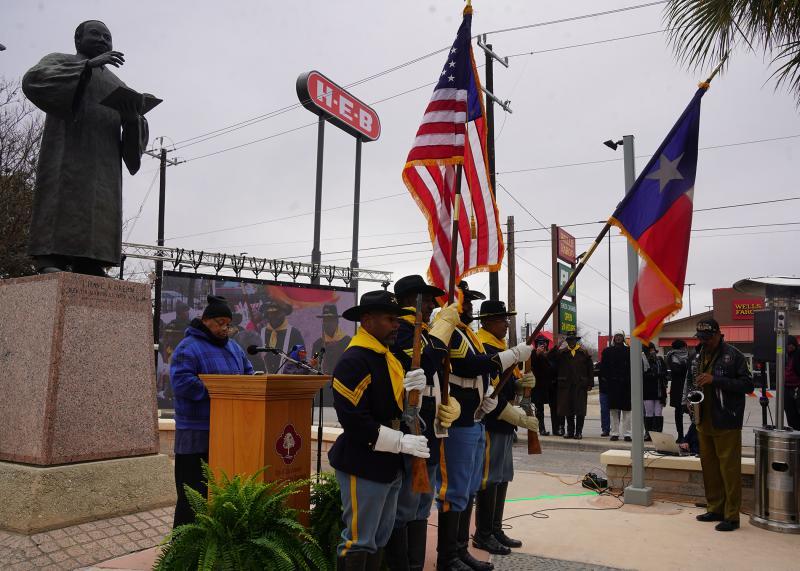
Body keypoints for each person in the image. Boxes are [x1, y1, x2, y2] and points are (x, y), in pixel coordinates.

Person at [22, 20, 149, 275]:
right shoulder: (60, 60)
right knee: (60, 199)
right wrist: (86, 67)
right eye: (96, 34)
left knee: (101, 207)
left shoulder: (118, 84)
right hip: (66, 152)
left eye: (107, 36)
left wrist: (133, 119)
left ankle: (90, 261)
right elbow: (34, 80)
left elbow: (134, 139)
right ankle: (50, 258)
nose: (103, 40)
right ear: (78, 39)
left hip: (104, 164)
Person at [329, 290, 431, 568]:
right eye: (390, 319)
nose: (397, 325)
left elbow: (399, 411)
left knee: (380, 537)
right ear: (367, 320)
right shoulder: (355, 360)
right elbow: (355, 422)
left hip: (388, 462)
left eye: (398, 319)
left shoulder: (387, 357)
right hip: (363, 462)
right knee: (359, 540)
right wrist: (401, 442)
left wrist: (415, 394)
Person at [436, 282, 531, 571]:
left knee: (467, 489)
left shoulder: (466, 334)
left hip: (474, 417)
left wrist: (498, 394)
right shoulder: (452, 334)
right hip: (460, 420)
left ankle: (461, 549)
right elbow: (469, 365)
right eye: (465, 302)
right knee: (456, 490)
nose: (469, 308)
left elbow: (482, 373)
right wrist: (513, 355)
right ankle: (449, 555)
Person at [386, 274, 461, 571]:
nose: (432, 304)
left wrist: (448, 401)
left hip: (429, 422)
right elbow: (419, 366)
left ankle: (415, 565)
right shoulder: (403, 329)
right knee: (406, 503)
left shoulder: (424, 331)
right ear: (410, 300)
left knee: (421, 502)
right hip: (411, 422)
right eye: (427, 299)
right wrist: (441, 335)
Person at [169, 295, 254, 528]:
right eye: (219, 322)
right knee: (192, 499)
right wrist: (220, 390)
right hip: (196, 436)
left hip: (227, 433)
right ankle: (182, 551)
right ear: (205, 321)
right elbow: (181, 383)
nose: (224, 328)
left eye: (228, 323)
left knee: (220, 495)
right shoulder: (188, 347)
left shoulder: (235, 348)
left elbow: (248, 374)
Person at [474, 300, 536, 554]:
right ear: (487, 322)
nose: (506, 324)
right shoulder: (485, 347)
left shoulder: (501, 347)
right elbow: (488, 392)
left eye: (507, 319)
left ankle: (495, 529)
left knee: (502, 478)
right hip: (491, 422)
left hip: (503, 425)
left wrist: (521, 387)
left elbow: (506, 386)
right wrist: (517, 418)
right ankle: (483, 533)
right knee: (489, 479)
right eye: (502, 319)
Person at [687, 318, 753, 532]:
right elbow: (694, 380)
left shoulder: (734, 355)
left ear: (718, 334)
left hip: (726, 420)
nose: (704, 342)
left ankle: (732, 516)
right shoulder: (699, 355)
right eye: (701, 338)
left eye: (707, 338)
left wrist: (714, 380)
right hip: (704, 419)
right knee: (710, 468)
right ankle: (715, 508)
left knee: (729, 469)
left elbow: (748, 385)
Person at [551, 335, 593, 439]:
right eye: (569, 340)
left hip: (580, 385)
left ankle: (578, 432)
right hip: (566, 386)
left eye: (573, 340)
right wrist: (558, 345)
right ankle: (570, 431)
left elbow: (590, 369)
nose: (571, 342)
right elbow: (550, 357)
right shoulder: (562, 353)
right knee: (568, 409)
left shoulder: (584, 353)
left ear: (576, 340)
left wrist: (590, 384)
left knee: (580, 410)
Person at [600, 331, 632, 442]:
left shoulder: (629, 351)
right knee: (613, 411)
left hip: (626, 385)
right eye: (616, 336)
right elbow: (603, 368)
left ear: (623, 338)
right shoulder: (607, 351)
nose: (618, 338)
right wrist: (607, 381)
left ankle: (627, 434)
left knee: (627, 411)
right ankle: (614, 433)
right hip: (613, 385)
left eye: (620, 336)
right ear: (614, 338)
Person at [259, 299, 305, 373]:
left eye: (277, 313)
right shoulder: (261, 332)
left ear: (284, 313)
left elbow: (302, 358)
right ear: (267, 314)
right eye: (271, 313)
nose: (274, 316)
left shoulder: (294, 333)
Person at [311, 304, 353, 375]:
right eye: (325, 320)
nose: (327, 323)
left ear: (337, 321)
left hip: (341, 383)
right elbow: (314, 365)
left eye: (330, 319)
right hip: (323, 383)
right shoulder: (318, 344)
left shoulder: (348, 342)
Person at [666, 339, 690, 442]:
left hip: (689, 387)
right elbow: (676, 370)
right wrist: (686, 365)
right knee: (678, 412)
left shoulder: (690, 355)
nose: (685, 348)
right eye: (684, 346)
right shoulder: (671, 356)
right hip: (678, 387)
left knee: (692, 412)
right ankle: (680, 435)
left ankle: (691, 435)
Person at [530, 335, 554, 436]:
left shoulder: (547, 354)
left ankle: (556, 429)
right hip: (537, 387)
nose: (542, 345)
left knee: (552, 407)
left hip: (547, 386)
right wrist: (537, 354)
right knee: (539, 410)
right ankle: (541, 429)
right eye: (540, 343)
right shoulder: (533, 354)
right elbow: (532, 365)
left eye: (544, 343)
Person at [643, 343, 667, 441]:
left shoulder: (660, 360)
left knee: (658, 413)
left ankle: (657, 433)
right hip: (648, 391)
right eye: (649, 349)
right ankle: (648, 433)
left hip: (659, 391)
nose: (652, 351)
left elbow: (665, 373)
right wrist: (656, 375)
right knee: (649, 413)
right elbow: (643, 375)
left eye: (652, 349)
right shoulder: (643, 360)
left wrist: (657, 375)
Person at [784, 335, 800, 430]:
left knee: (797, 413)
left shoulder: (797, 354)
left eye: (790, 345)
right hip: (786, 388)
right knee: (790, 412)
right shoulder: (784, 355)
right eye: (787, 345)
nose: (789, 347)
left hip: (797, 388)